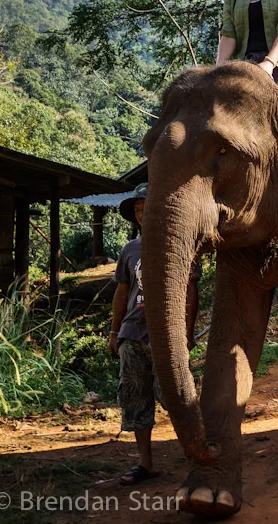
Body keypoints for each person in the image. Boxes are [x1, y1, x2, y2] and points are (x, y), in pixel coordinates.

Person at [109, 183, 200, 486]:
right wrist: (114, 332)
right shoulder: (130, 250)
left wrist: (186, 334)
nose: (141, 213)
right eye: (136, 209)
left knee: (177, 396)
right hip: (133, 334)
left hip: (168, 335)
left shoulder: (180, 242)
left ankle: (197, 456)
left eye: (146, 206)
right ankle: (145, 463)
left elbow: (190, 290)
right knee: (136, 399)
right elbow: (122, 292)